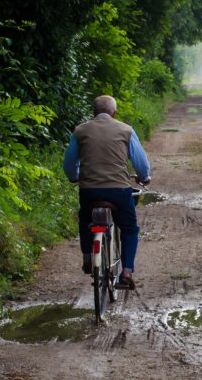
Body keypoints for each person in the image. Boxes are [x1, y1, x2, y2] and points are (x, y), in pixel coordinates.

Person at [62, 95, 151, 289]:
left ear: (93, 112)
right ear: (114, 112)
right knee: (129, 229)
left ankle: (87, 255)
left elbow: (69, 163)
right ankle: (126, 271)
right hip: (119, 191)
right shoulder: (126, 130)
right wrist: (144, 177)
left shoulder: (80, 131)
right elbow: (141, 164)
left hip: (89, 191)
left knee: (85, 220)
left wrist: (74, 176)